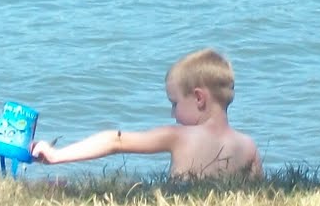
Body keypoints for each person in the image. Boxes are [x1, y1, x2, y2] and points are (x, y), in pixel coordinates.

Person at [30, 48, 263, 179]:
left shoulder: (180, 136)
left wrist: (56, 155)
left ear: (199, 98)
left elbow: (115, 141)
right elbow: (260, 193)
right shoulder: (248, 146)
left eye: (174, 103)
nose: (172, 113)